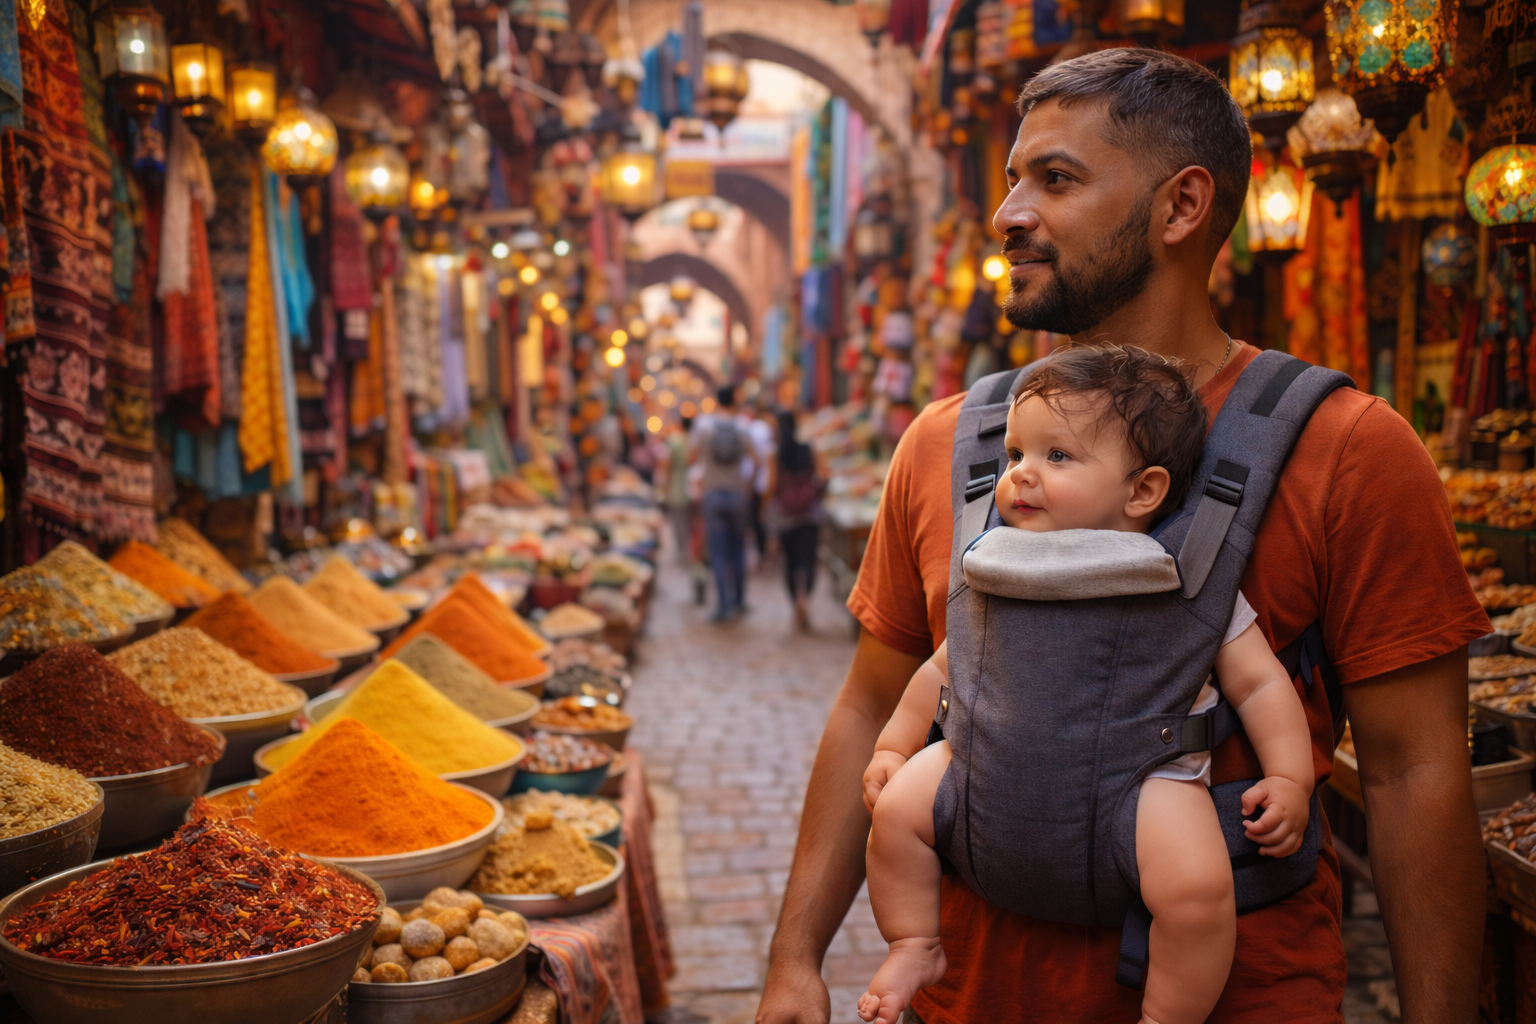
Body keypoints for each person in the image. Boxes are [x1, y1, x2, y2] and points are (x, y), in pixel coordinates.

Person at [757, 48, 1489, 1024]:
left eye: (1054, 179)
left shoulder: (1348, 449)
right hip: (967, 996)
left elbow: (1414, 773)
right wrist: (794, 958)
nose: (1009, 213)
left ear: (1182, 208)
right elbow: (868, 708)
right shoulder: (948, 446)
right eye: (1013, 178)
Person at [856, 346, 1314, 1024]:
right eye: (1014, 455)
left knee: (1197, 892)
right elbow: (943, 668)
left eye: (1057, 457)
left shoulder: (1182, 573)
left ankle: (1166, 1014)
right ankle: (916, 941)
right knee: (895, 817)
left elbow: (1260, 685)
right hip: (983, 764)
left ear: (1143, 491)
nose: (1021, 476)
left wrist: (1290, 777)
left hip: (1144, 778)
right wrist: (894, 748)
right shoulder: (997, 562)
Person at [691, 386, 756, 622]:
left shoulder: (704, 427)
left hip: (713, 494)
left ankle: (723, 605)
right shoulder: (743, 427)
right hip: (737, 493)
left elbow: (692, 456)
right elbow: (756, 460)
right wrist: (746, 484)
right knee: (739, 549)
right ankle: (739, 600)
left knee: (718, 551)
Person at [770, 409, 823, 631]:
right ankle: (805, 600)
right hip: (810, 513)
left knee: (790, 562)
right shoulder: (809, 449)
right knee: (809, 559)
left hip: (786, 515)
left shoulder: (775, 454)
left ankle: (796, 605)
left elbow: (772, 485)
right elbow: (822, 475)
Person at [748, 405, 778, 564]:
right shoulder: (764, 434)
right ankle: (767, 555)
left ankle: (765, 555)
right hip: (764, 486)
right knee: (765, 523)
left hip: (761, 486)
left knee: (763, 523)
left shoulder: (755, 430)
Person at [662, 417, 694, 565]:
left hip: (677, 487)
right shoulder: (694, 441)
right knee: (690, 522)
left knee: (679, 522)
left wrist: (665, 487)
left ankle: (683, 551)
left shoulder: (674, 441)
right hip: (693, 488)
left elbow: (667, 465)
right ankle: (690, 550)